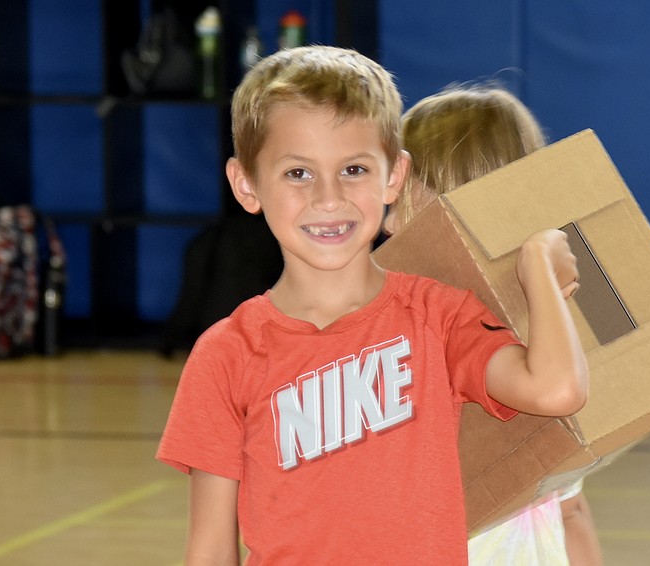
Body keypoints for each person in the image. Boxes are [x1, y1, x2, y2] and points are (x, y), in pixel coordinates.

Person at [157, 46, 588, 565]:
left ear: (394, 176)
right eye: (298, 173)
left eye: (354, 169)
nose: (328, 198)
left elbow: (557, 390)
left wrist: (537, 263)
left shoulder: (438, 317)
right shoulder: (225, 354)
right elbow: (209, 547)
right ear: (246, 185)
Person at [383, 84, 603, 565]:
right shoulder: (538, 328)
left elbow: (569, 507)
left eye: (402, 203)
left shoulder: (458, 330)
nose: (389, 226)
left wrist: (538, 264)